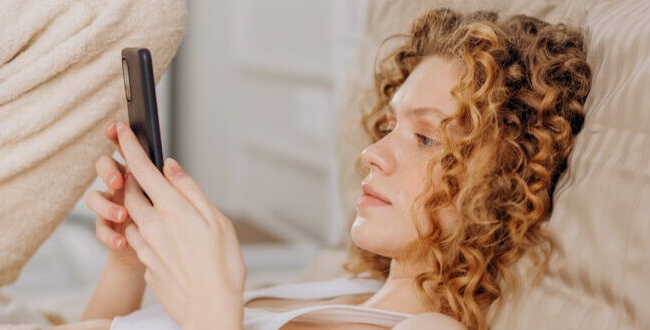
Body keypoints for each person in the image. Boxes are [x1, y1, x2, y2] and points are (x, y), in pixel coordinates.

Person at [57, 7, 591, 330]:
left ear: (501, 188)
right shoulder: (335, 290)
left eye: (425, 138)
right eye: (389, 127)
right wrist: (127, 265)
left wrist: (212, 314)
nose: (372, 154)